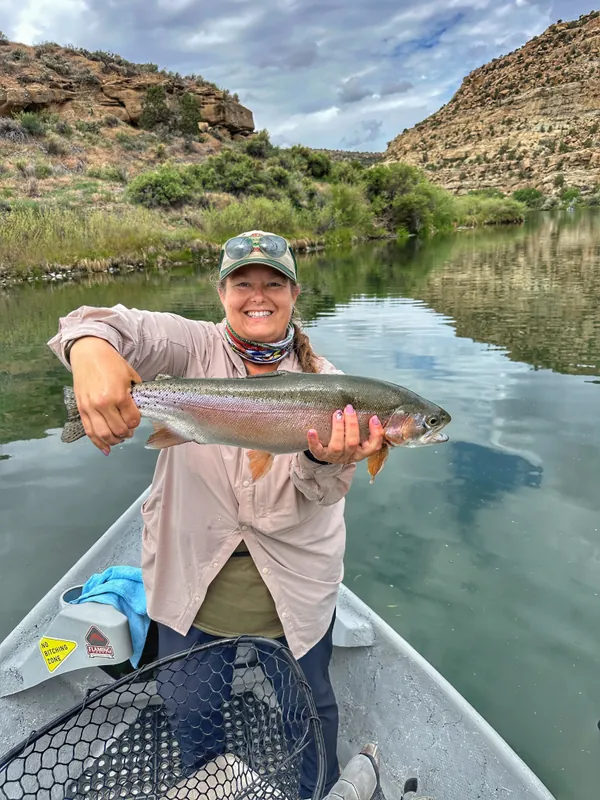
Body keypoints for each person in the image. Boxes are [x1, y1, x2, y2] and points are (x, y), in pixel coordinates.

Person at [47, 230, 385, 798]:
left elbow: (322, 493)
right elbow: (98, 322)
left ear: (294, 293)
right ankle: (203, 783)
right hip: (190, 573)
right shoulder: (190, 347)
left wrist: (320, 458)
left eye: (273, 284)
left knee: (312, 708)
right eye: (243, 283)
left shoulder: (330, 384)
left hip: (295, 584)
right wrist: (91, 351)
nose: (259, 296)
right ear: (222, 291)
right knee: (189, 706)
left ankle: (316, 787)